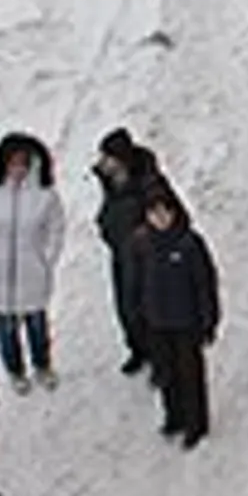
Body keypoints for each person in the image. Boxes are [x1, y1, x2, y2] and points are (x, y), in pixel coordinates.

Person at [0, 133, 67, 392]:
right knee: (6, 329)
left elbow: (56, 229)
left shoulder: (45, 196)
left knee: (37, 325)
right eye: (13, 162)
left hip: (32, 272)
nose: (18, 169)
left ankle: (42, 365)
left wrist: (47, 259)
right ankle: (16, 370)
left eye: (24, 163)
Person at [134, 186, 222, 448]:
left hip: (187, 323)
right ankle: (174, 417)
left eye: (164, 212)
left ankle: (196, 424)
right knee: (166, 373)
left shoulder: (190, 243)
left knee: (190, 375)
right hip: (157, 323)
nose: (160, 218)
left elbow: (205, 284)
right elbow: (136, 283)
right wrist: (140, 315)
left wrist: (208, 321)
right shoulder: (143, 244)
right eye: (153, 213)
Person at [90, 132, 174, 378]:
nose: (104, 162)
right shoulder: (111, 181)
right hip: (121, 252)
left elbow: (159, 202)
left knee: (149, 310)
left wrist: (145, 233)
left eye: (108, 157)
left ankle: (160, 360)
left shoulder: (147, 179)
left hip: (145, 257)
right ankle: (138, 350)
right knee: (126, 308)